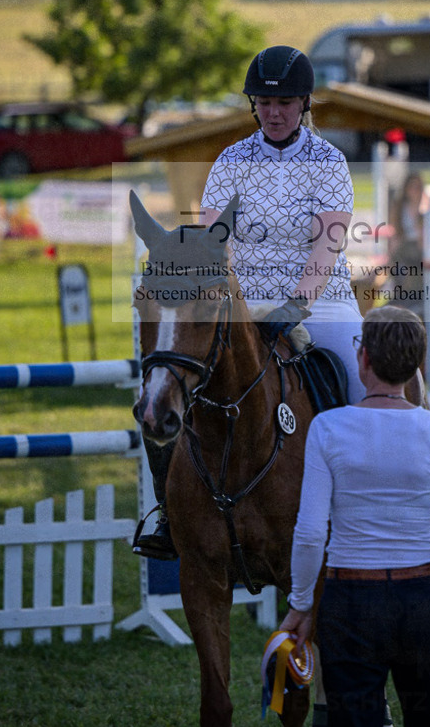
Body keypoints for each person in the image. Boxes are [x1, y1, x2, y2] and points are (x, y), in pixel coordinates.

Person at [134, 44, 365, 558]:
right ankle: (169, 517)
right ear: (253, 104)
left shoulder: (327, 161)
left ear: (304, 104)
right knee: (167, 382)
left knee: (361, 381)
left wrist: (297, 305)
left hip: (321, 302)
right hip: (244, 301)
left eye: (284, 103)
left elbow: (328, 243)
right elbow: (220, 244)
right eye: (263, 102)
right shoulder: (231, 160)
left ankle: (363, 511)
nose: (274, 112)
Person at [280, 305, 430, 727]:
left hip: (350, 601)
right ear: (414, 366)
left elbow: (311, 532)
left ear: (363, 359)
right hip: (423, 598)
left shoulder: (327, 428)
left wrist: (299, 604)